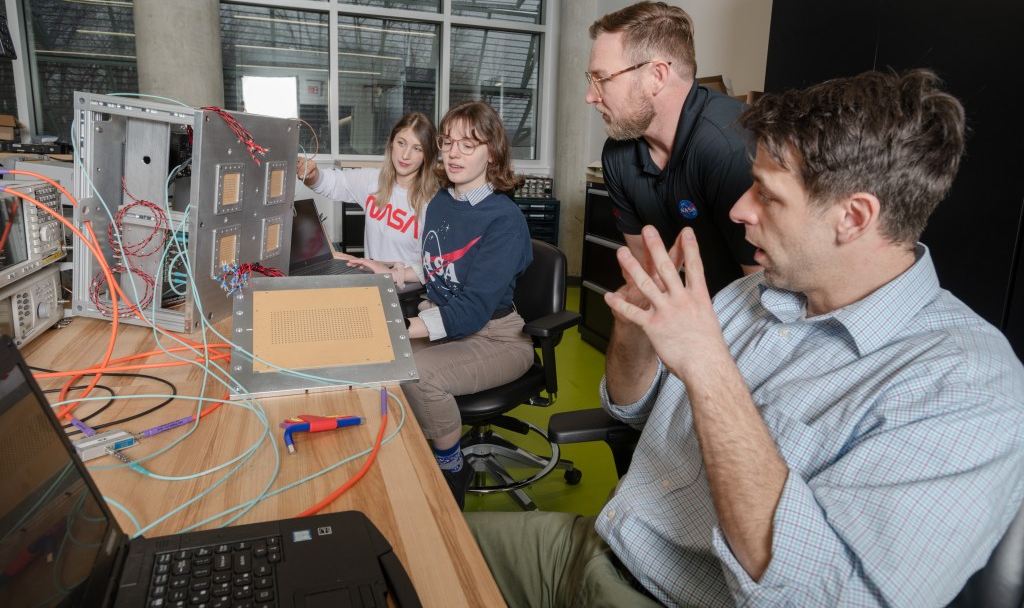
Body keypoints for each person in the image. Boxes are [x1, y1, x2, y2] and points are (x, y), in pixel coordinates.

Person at [468, 69, 1024, 607]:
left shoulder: (968, 386)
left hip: (671, 596)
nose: (738, 211)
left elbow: (822, 596)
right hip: (599, 546)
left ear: (853, 217)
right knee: (394, 553)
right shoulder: (750, 296)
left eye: (766, 194)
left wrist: (709, 367)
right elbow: (631, 409)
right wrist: (635, 332)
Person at [351, 101, 534, 506]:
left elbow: (470, 310)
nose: (453, 153)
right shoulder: (441, 202)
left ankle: (452, 467)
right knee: (374, 359)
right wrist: (389, 270)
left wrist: (400, 327)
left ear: (494, 152)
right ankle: (405, 451)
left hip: (497, 338)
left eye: (468, 145)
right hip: (447, 323)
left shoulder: (503, 220)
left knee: (416, 372)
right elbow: (436, 267)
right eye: (448, 142)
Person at [587, 0, 759, 295]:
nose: (591, 96)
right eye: (591, 80)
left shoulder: (728, 147)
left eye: (602, 79)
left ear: (657, 76)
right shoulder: (617, 154)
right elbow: (649, 272)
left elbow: (762, 294)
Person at [295, 112, 438, 270]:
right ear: (391, 144)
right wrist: (311, 173)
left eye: (417, 149)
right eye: (401, 143)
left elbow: (432, 268)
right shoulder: (373, 181)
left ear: (427, 155)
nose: (405, 155)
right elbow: (331, 182)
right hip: (374, 282)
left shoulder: (435, 202)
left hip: (409, 291)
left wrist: (371, 267)